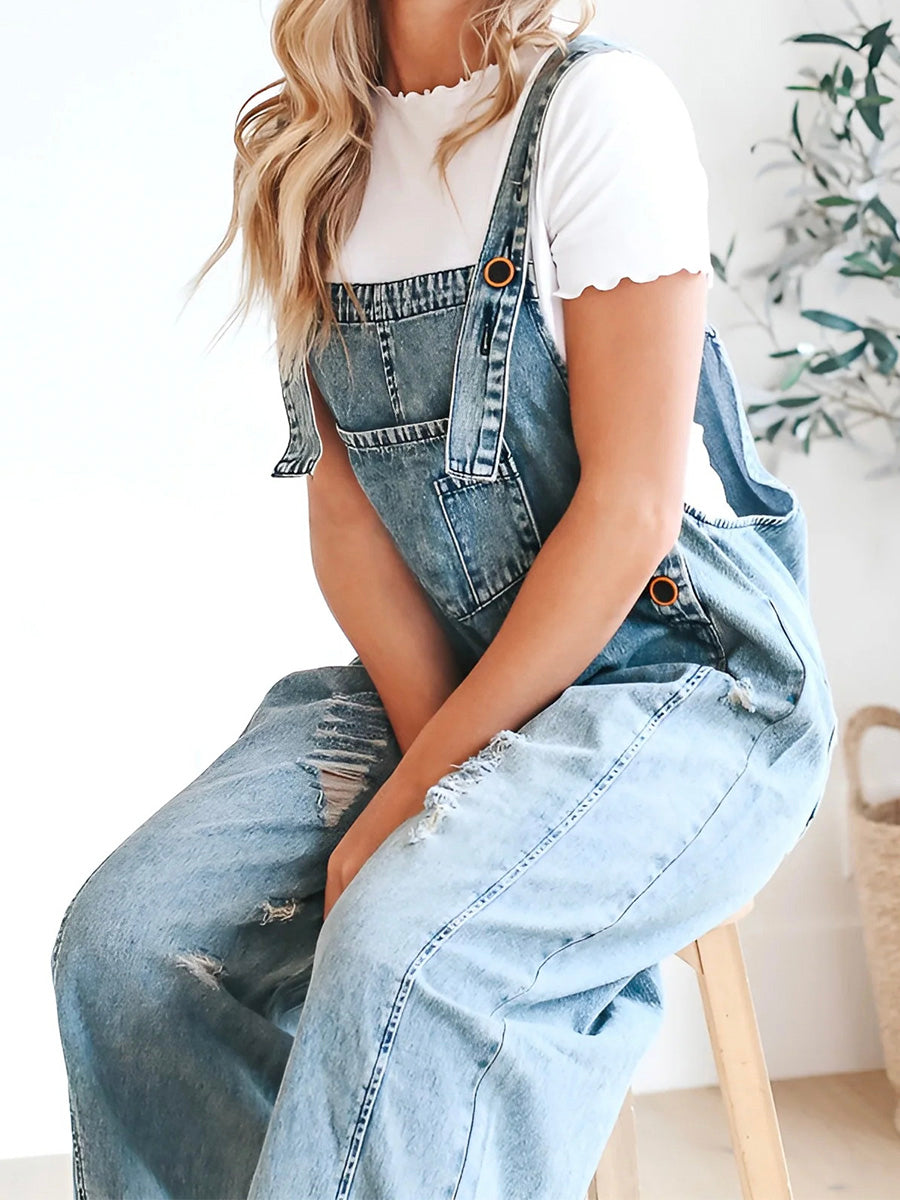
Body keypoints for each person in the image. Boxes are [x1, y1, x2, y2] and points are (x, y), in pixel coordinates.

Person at [51, 2, 838, 1198]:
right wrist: (435, 784)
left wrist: (423, 804)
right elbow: (347, 515)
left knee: (404, 948)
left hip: (687, 681)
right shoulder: (309, 152)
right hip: (463, 671)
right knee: (130, 941)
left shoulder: (598, 112)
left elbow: (630, 510)